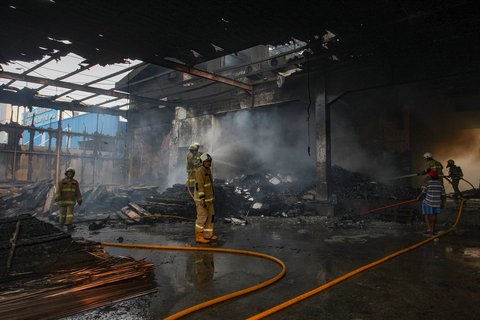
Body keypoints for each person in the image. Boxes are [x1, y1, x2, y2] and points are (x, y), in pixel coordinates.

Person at [194, 153, 218, 244]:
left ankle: (208, 234)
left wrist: (211, 197)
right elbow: (199, 186)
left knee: (210, 217)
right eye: (207, 161)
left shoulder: (208, 170)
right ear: (202, 162)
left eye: (209, 161)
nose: (209, 163)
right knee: (202, 217)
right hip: (202, 200)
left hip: (209, 200)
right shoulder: (200, 171)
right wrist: (202, 198)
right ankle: (199, 236)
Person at [416, 170, 446, 236]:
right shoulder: (440, 184)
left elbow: (423, 192)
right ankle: (433, 229)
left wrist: (418, 198)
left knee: (426, 214)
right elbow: (443, 195)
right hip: (437, 203)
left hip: (428, 202)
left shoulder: (427, 183)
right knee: (434, 215)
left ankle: (429, 228)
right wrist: (442, 203)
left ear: (430, 176)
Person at [55, 167, 82, 231]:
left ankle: (69, 225)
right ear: (66, 174)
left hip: (71, 202)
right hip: (63, 201)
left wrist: (79, 199)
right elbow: (58, 191)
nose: (70, 174)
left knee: (69, 215)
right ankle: (61, 224)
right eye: (69, 173)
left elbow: (77, 192)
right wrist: (57, 198)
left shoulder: (75, 182)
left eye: (71, 173)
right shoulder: (62, 182)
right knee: (62, 214)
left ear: (73, 174)